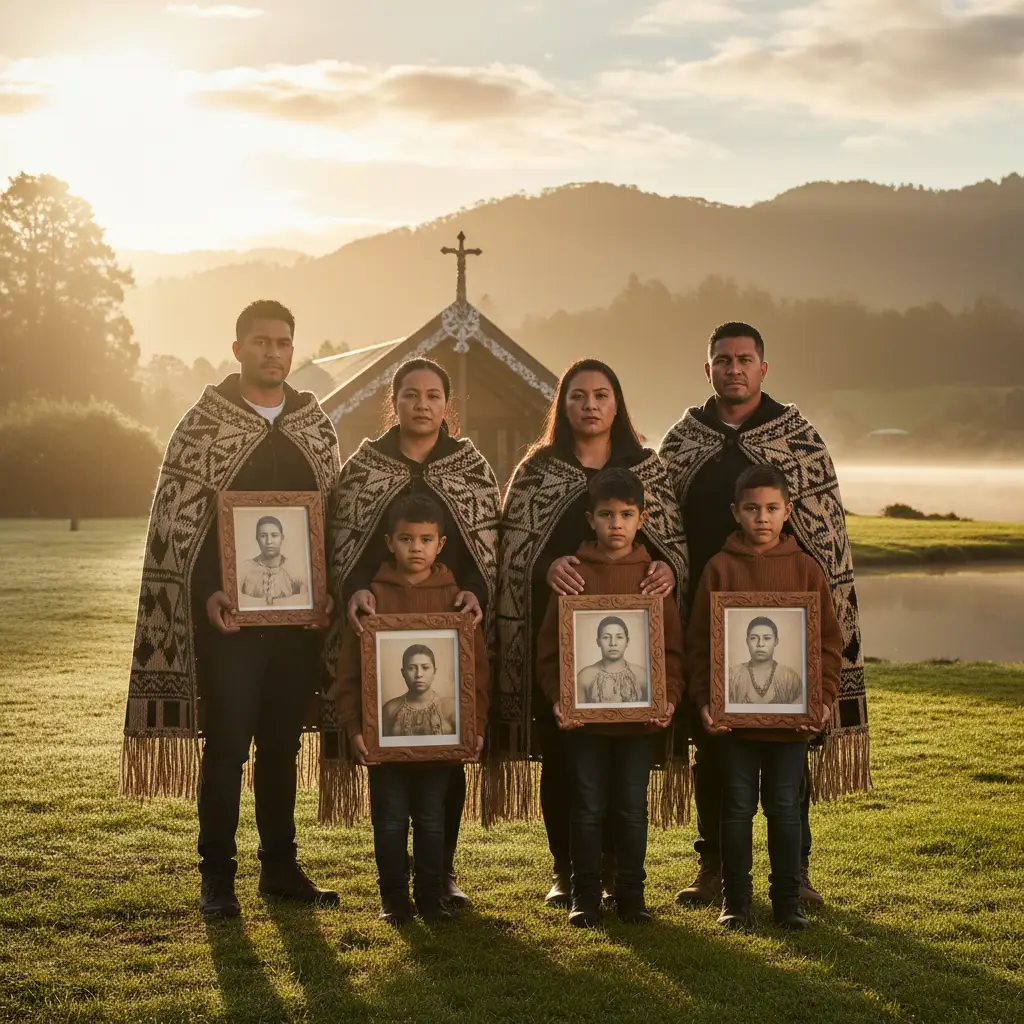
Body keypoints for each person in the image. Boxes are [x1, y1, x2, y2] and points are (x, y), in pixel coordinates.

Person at [121, 299, 342, 920]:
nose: (274, 352)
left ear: (293, 351)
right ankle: (216, 876)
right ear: (238, 348)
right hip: (232, 625)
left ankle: (280, 867)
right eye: (262, 341)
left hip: (299, 628)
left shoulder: (314, 427)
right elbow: (174, 529)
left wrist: (328, 590)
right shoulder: (202, 427)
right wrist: (208, 595)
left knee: (281, 747)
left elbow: (338, 523)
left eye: (284, 342)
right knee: (226, 749)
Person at [659, 322, 868, 908]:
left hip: (786, 617)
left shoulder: (797, 438)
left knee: (787, 748)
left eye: (745, 359)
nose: (734, 369)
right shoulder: (681, 442)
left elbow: (826, 540)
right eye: (722, 360)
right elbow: (660, 528)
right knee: (712, 750)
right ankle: (715, 867)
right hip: (709, 611)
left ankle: (795, 871)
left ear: (763, 369)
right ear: (708, 370)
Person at [491, 359, 687, 909]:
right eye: (579, 396)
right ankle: (568, 870)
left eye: (602, 395)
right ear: (563, 405)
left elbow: (674, 548)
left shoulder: (648, 470)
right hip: (563, 649)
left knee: (625, 778)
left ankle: (619, 872)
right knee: (566, 762)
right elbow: (512, 553)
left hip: (635, 657)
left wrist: (670, 569)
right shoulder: (537, 470)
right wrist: (544, 568)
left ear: (617, 403)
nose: (591, 405)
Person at [323, 358, 500, 907]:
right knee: (392, 783)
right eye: (409, 395)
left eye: (432, 395)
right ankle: (394, 885)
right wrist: (355, 589)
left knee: (444, 765)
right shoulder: (364, 468)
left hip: (451, 627)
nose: (421, 404)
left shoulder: (470, 468)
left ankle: (440, 871)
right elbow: (344, 545)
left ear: (448, 405)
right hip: (380, 626)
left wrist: (476, 593)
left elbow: (486, 552)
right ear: (393, 402)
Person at [686, 465, 843, 930]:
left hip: (790, 723)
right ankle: (735, 901)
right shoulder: (720, 568)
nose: (762, 518)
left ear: (788, 511)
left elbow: (828, 646)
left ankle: (787, 901)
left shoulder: (804, 568)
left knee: (783, 807)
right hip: (733, 724)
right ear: (735, 512)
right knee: (734, 808)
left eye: (772, 508)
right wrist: (705, 702)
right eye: (752, 508)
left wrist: (824, 699)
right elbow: (700, 646)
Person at [536, 468, 684, 927]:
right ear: (590, 519)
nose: (616, 524)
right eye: (606, 515)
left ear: (642, 518)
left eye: (626, 514)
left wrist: (669, 697)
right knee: (587, 804)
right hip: (584, 724)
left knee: (630, 806)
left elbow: (672, 652)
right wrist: (559, 698)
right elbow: (549, 651)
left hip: (639, 724)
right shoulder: (573, 576)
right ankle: (585, 897)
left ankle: (631, 896)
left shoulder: (653, 579)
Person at [333, 493, 490, 926]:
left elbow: (476, 672)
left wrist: (473, 727)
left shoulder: (457, 599)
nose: (415, 548)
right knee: (388, 820)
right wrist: (354, 728)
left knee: (431, 818)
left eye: (425, 539)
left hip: (440, 742)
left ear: (441, 544)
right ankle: (393, 901)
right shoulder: (371, 599)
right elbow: (349, 673)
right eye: (406, 539)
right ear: (388, 542)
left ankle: (430, 898)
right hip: (384, 742)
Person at [382, 646, 457, 737]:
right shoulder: (390, 709)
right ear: (403, 672)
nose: (419, 674)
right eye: (411, 668)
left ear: (434, 671)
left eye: (425, 667)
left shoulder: (451, 708)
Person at [728, 617, 803, 705]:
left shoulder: (790, 678)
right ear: (747, 641)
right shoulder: (731, 676)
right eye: (753, 638)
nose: (760, 644)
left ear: (776, 641)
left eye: (767, 638)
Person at [239, 516, 309, 606]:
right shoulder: (244, 569)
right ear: (257, 539)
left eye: (274, 535)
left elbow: (307, 601)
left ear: (282, 538)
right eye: (263, 536)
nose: (269, 541)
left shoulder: (296, 570)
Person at [577, 617, 648, 705]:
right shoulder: (584, 677)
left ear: (627, 641)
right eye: (606, 637)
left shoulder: (643, 676)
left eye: (619, 637)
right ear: (598, 642)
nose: (613, 643)